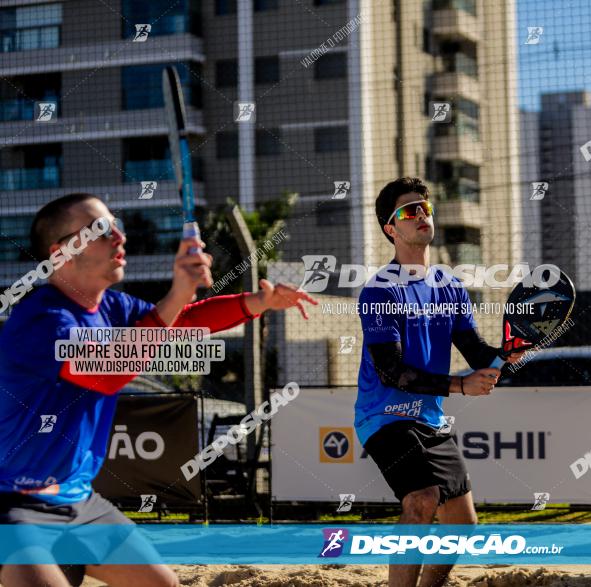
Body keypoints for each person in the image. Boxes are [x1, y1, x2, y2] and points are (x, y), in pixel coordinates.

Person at [0, 193, 317, 587]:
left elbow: (179, 322)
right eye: (100, 229)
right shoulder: (41, 320)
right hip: (14, 504)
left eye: (116, 225)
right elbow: (108, 371)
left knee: (163, 584)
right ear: (61, 251)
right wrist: (178, 292)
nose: (119, 236)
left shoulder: (110, 306)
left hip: (78, 501)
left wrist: (257, 301)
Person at [356, 178, 524, 587]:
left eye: (426, 208)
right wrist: (461, 386)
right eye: (410, 211)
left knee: (463, 525)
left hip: (430, 420)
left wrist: (507, 354)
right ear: (390, 229)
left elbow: (474, 349)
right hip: (385, 417)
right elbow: (391, 371)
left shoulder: (449, 286)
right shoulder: (379, 291)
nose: (422, 215)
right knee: (422, 499)